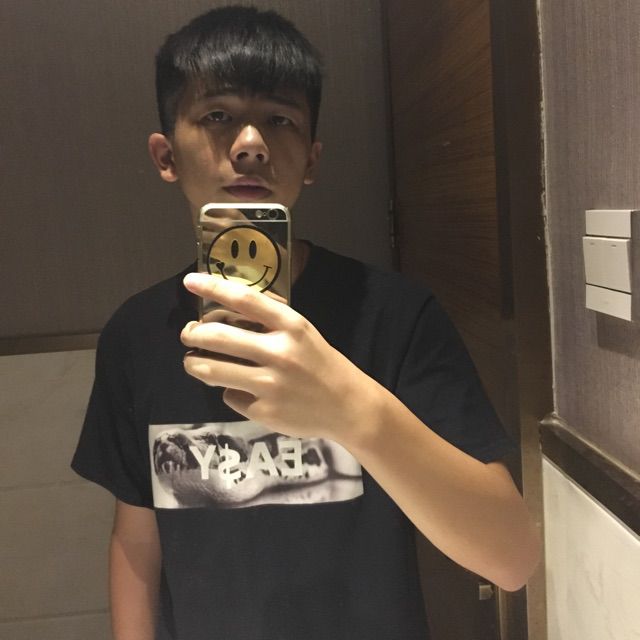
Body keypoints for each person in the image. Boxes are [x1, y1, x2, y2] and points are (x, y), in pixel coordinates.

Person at [71, 5, 540, 639]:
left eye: (280, 119)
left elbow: (512, 560)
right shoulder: (135, 335)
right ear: (166, 155)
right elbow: (136, 538)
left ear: (312, 160)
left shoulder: (395, 315)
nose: (251, 143)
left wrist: (351, 409)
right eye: (217, 116)